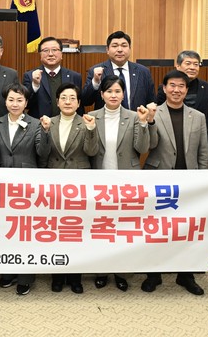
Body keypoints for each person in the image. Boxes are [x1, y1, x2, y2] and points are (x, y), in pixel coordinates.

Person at [141, 70, 208, 296]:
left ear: (187, 90)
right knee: (157, 228)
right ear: (164, 88)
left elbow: (203, 152)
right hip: (159, 179)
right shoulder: (154, 112)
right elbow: (149, 145)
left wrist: (203, 180)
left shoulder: (198, 116)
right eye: (172, 85)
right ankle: (154, 274)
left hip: (188, 181)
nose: (176, 90)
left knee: (186, 230)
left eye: (181, 86)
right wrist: (150, 121)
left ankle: (185, 275)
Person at [83, 75, 152, 292]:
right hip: (100, 183)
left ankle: (122, 272)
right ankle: (101, 271)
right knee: (101, 228)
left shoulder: (134, 116)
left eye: (117, 91)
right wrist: (91, 130)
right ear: (102, 94)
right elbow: (90, 151)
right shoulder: (92, 116)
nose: (113, 95)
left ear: (123, 94)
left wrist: (143, 123)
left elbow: (142, 148)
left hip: (126, 182)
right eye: (109, 91)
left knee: (123, 228)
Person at [0, 83, 51, 295]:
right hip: (2, 185)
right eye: (11, 99)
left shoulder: (35, 124)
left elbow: (42, 153)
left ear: (26, 103)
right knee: (6, 228)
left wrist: (46, 131)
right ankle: (8, 271)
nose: (15, 104)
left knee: (26, 231)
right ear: (5, 101)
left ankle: (26, 276)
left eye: (19, 100)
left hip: (27, 186)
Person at [42, 83, 91, 294]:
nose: (68, 101)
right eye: (64, 97)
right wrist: (44, 132)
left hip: (78, 183)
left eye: (72, 98)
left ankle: (75, 277)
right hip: (54, 182)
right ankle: (57, 276)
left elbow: (92, 151)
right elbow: (42, 153)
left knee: (75, 231)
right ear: (57, 101)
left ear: (79, 103)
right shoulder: (49, 122)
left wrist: (91, 131)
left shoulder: (86, 122)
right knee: (56, 230)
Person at [82, 30, 155, 111]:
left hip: (136, 118)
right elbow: (86, 101)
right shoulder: (96, 71)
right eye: (115, 46)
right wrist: (95, 82)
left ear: (130, 49)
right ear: (107, 50)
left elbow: (151, 102)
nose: (120, 50)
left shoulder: (143, 72)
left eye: (124, 46)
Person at [23, 36, 83, 118]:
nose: (50, 54)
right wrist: (35, 85)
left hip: (67, 123)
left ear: (61, 54)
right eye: (46, 50)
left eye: (54, 50)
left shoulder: (74, 76)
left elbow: (79, 105)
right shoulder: (30, 76)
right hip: (39, 124)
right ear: (40, 55)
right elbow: (25, 104)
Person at [155, 50, 208, 122]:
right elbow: (159, 114)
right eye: (188, 64)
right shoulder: (167, 88)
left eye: (196, 64)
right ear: (178, 66)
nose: (192, 67)